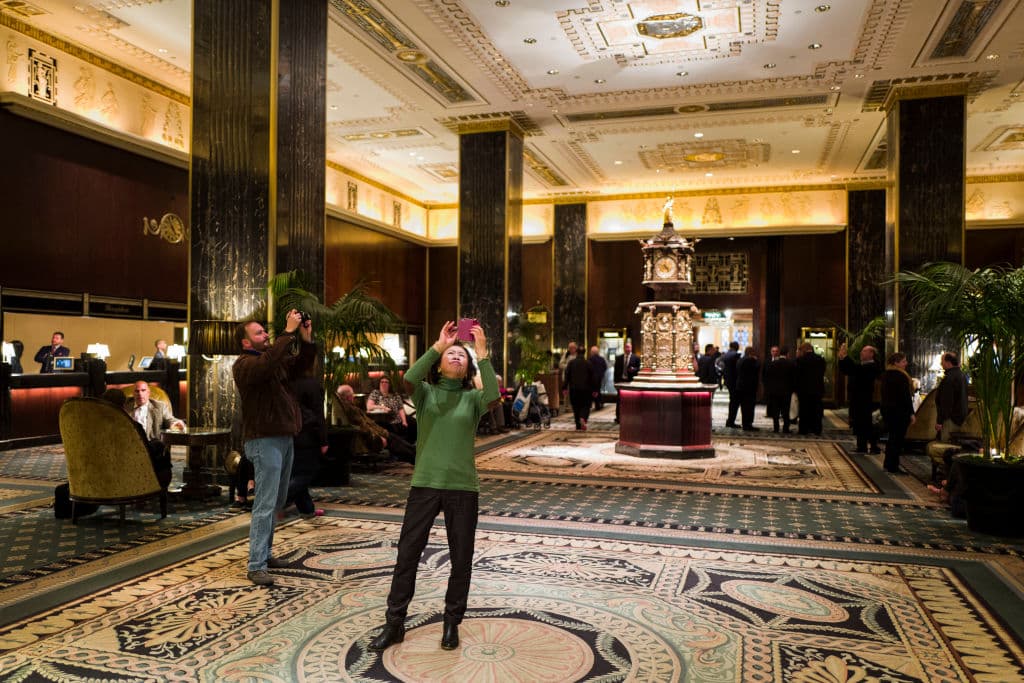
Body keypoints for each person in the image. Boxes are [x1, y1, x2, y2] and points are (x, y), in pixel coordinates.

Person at [368, 320, 499, 653]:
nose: (457, 356)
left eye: (461, 355)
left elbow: (494, 396)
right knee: (407, 555)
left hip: (462, 488)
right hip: (425, 484)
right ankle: (394, 623)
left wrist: (481, 353)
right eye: (451, 354)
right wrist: (439, 344)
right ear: (440, 363)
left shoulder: (472, 399)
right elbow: (408, 378)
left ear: (468, 366)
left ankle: (451, 623)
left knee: (461, 559)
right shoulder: (425, 394)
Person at [232, 310, 316, 587]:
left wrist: (305, 338)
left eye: (265, 331)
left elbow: (301, 366)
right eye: (259, 333)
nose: (265, 335)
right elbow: (267, 365)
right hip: (263, 439)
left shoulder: (271, 361)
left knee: (277, 501)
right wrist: (287, 332)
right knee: (265, 504)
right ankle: (256, 565)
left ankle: (265, 555)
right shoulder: (244, 365)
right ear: (246, 343)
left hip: (283, 437)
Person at [98, 388, 172, 488]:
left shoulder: (94, 428)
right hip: (133, 473)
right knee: (159, 447)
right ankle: (159, 489)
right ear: (124, 405)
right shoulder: (134, 427)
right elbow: (145, 452)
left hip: (101, 473)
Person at [284, 356, 328, 519]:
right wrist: (323, 439)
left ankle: (307, 509)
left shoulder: (286, 383)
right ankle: (278, 502)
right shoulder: (312, 384)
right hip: (308, 433)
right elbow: (318, 414)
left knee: (298, 471)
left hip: (289, 432)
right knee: (306, 474)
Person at [335, 384, 416, 463]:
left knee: (394, 437)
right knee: (394, 440)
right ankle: (414, 456)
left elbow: (368, 424)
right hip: (369, 439)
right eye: (352, 395)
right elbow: (364, 427)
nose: (353, 397)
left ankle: (414, 453)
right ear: (348, 397)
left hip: (374, 433)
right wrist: (378, 436)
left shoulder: (349, 408)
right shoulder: (351, 410)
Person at [838, 342, 882, 453]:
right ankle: (861, 446)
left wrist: (845, 357)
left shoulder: (872, 366)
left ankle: (873, 446)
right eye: (862, 351)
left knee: (867, 423)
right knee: (860, 423)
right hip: (858, 398)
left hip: (867, 399)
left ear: (871, 354)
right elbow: (848, 370)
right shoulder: (862, 365)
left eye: (864, 351)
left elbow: (855, 370)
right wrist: (842, 359)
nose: (861, 353)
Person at [879, 352, 916, 474]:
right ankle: (893, 466)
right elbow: (905, 397)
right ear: (896, 362)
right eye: (904, 361)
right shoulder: (901, 376)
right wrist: (911, 413)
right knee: (897, 440)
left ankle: (888, 464)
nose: (906, 364)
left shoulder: (886, 374)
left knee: (892, 438)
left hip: (888, 410)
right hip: (900, 412)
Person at [367, 376, 415, 442]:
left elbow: (400, 409)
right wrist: (383, 407)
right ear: (379, 383)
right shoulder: (376, 393)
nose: (384, 383)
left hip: (397, 419)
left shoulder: (395, 395)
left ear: (389, 385)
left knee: (413, 423)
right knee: (391, 429)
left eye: (386, 382)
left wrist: (404, 421)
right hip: (384, 420)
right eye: (382, 382)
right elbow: (369, 406)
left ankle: (412, 443)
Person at [935, 351, 968, 442]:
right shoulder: (962, 375)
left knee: (945, 446)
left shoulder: (949, 378)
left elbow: (946, 402)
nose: (941, 363)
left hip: (950, 419)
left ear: (948, 362)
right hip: (960, 418)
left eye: (942, 361)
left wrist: (940, 421)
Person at [763, 346, 797, 433]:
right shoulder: (791, 364)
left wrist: (769, 389)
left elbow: (768, 377)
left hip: (774, 391)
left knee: (775, 410)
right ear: (787, 354)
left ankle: (776, 428)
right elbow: (793, 378)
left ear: (779, 353)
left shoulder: (772, 364)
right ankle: (786, 428)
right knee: (786, 410)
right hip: (786, 391)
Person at [795, 343, 826, 436]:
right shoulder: (821, 359)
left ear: (804, 350)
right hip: (817, 389)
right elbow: (822, 373)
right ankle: (817, 429)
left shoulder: (801, 360)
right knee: (817, 410)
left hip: (804, 390)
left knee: (804, 410)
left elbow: (797, 375)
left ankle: (804, 429)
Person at [564, 347, 595, 430]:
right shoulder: (589, 363)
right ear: (585, 353)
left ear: (576, 353)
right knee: (586, 406)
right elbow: (593, 378)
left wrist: (564, 388)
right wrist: (595, 389)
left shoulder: (571, 363)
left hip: (574, 389)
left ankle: (578, 425)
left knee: (576, 407)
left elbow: (567, 376)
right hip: (586, 390)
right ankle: (583, 418)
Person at [613, 341, 641, 423]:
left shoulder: (636, 358)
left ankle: (631, 416)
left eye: (629, 347)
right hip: (620, 381)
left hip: (630, 382)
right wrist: (615, 382)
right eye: (626, 347)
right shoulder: (619, 358)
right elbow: (616, 370)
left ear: (631, 348)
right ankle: (618, 417)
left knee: (630, 400)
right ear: (624, 348)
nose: (627, 349)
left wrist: (634, 369)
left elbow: (639, 369)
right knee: (619, 400)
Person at [736, 346, 761, 431]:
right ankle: (748, 424)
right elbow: (757, 367)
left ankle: (745, 423)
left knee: (744, 407)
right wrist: (756, 359)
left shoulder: (740, 360)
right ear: (751, 353)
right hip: (749, 387)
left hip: (741, 387)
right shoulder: (750, 360)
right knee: (749, 407)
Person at [721, 341, 742, 428]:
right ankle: (731, 421)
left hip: (728, 381)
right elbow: (738, 369)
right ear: (737, 347)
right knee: (734, 402)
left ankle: (730, 420)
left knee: (732, 401)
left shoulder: (725, 355)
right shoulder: (735, 355)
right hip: (735, 381)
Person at [588, 346, 608, 411]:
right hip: (600, 378)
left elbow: (588, 369)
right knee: (598, 390)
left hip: (592, 378)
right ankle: (598, 404)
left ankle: (592, 404)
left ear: (592, 352)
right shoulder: (602, 359)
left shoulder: (590, 359)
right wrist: (601, 374)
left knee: (592, 391)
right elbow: (605, 367)